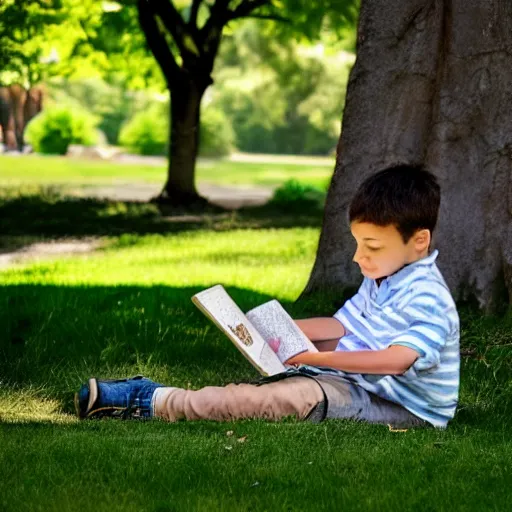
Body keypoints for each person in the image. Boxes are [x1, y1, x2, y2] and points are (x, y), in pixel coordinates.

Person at [75, 165, 460, 429]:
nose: (360, 257)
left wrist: (315, 358)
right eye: (359, 244)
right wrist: (273, 328)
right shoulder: (388, 276)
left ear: (419, 241)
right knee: (273, 388)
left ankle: (151, 402)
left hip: (401, 407)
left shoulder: (427, 295)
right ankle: (161, 394)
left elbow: (395, 360)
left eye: (372, 247)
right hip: (355, 381)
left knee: (279, 400)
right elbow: (342, 326)